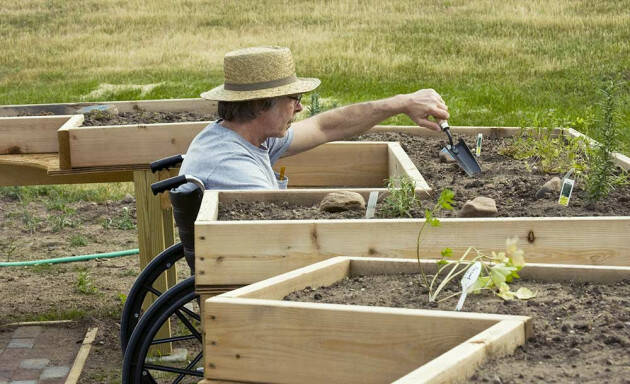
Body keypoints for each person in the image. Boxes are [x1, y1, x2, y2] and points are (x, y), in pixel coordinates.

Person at [176, 45, 449, 191]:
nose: (300, 108)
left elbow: (327, 126)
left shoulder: (248, 137)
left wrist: (402, 103)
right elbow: (279, 227)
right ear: (260, 105)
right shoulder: (232, 165)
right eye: (293, 99)